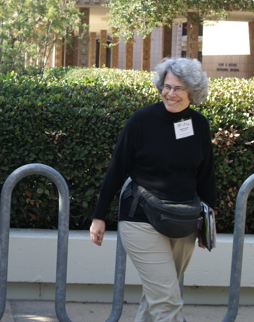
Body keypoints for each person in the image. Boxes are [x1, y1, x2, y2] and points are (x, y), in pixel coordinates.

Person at [89, 57, 216, 322]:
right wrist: (99, 216)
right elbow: (116, 169)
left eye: (178, 88)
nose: (170, 93)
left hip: (183, 221)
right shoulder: (142, 121)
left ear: (192, 92)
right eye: (166, 86)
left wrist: (207, 225)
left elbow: (206, 176)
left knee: (157, 297)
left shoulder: (199, 124)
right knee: (167, 302)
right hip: (141, 218)